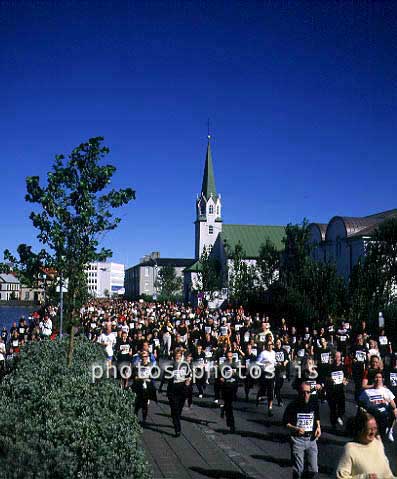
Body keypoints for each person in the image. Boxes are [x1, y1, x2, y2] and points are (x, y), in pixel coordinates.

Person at [336, 410, 395, 479]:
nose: (373, 432)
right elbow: (341, 477)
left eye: (375, 428)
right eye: (369, 429)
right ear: (361, 430)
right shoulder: (350, 449)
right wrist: (364, 477)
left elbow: (388, 473)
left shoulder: (378, 443)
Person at [283, 381, 321, 478]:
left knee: (313, 469)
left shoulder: (313, 403)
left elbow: (316, 416)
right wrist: (295, 428)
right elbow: (285, 422)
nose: (305, 395)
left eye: (308, 392)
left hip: (311, 439)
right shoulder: (293, 405)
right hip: (297, 440)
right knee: (298, 470)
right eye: (303, 392)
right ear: (299, 392)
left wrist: (318, 428)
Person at [359, 371, 397, 441]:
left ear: (382, 379)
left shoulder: (386, 391)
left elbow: (394, 406)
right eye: (376, 377)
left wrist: (389, 400)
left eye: (380, 377)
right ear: (373, 379)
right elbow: (360, 403)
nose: (378, 379)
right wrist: (363, 411)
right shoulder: (367, 392)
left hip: (383, 418)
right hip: (372, 418)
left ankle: (387, 434)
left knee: (380, 438)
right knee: (371, 438)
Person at [167, 349, 191, 437]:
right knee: (174, 408)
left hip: (182, 387)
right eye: (176, 356)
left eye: (179, 356)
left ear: (181, 357)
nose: (177, 357)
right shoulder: (171, 365)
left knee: (179, 408)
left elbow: (188, 376)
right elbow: (166, 376)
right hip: (173, 388)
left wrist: (187, 382)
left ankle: (176, 418)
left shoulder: (185, 365)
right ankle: (178, 429)